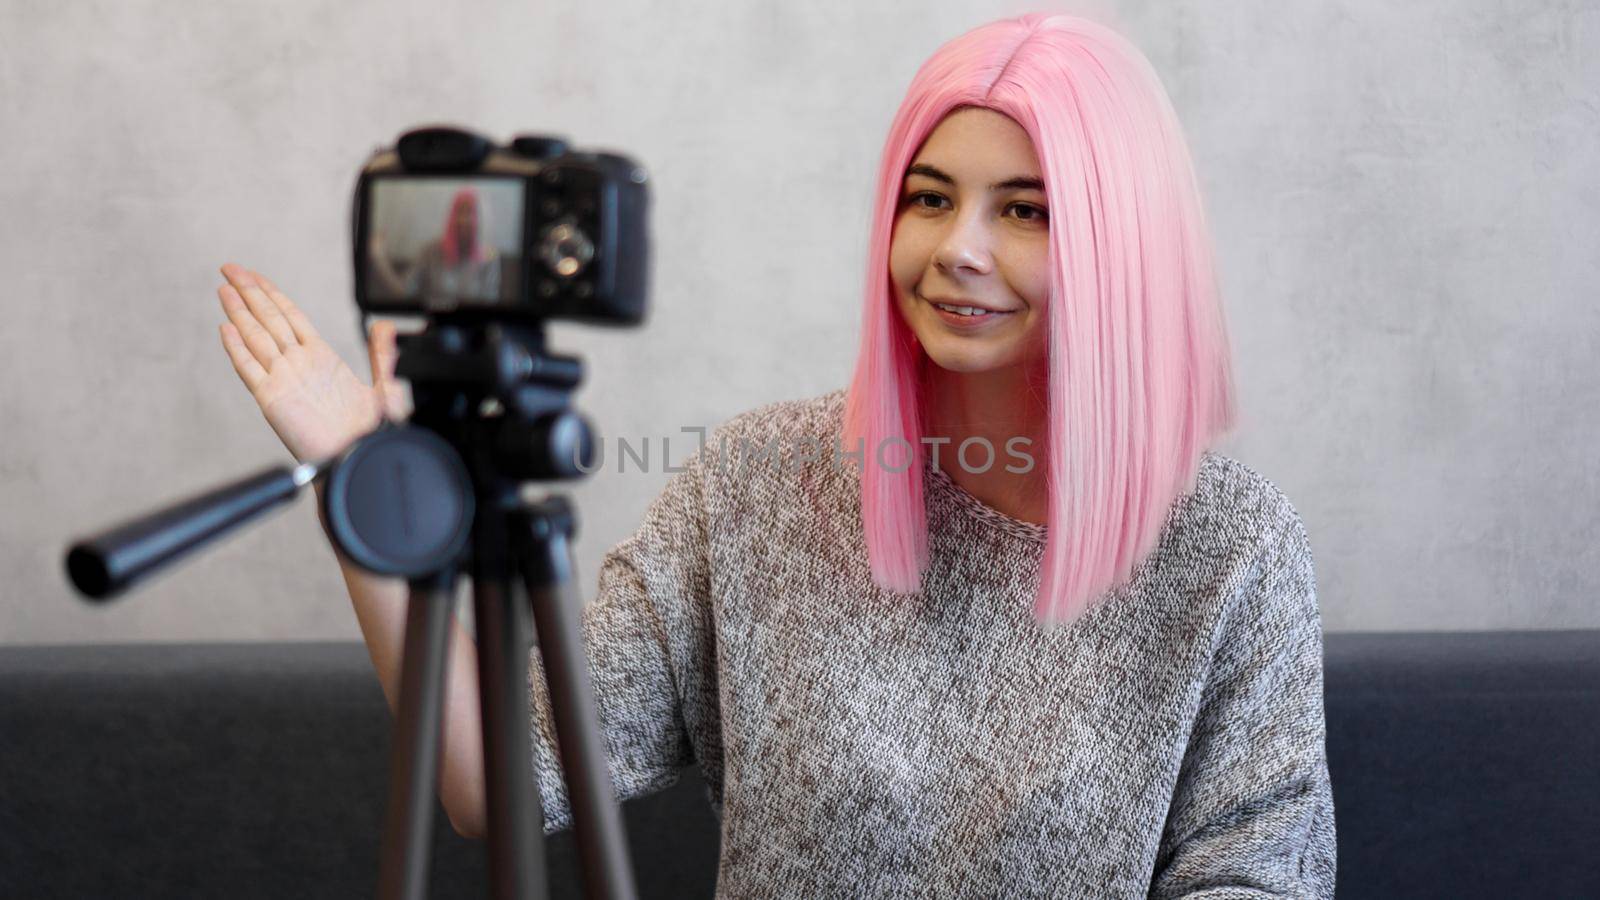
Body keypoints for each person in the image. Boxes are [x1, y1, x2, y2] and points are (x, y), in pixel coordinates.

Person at [215, 12, 1335, 897]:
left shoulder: (1229, 548)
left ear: (1121, 244)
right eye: (929, 198)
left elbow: (1254, 877)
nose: (958, 251)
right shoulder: (756, 488)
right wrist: (369, 491)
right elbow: (493, 787)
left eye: (1027, 212)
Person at [368, 185, 502, 303]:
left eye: (471, 212)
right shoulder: (431, 251)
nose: (464, 219)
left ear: (481, 218)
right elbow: (404, 291)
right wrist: (379, 259)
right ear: (452, 216)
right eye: (460, 211)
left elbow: (490, 305)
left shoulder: (490, 258)